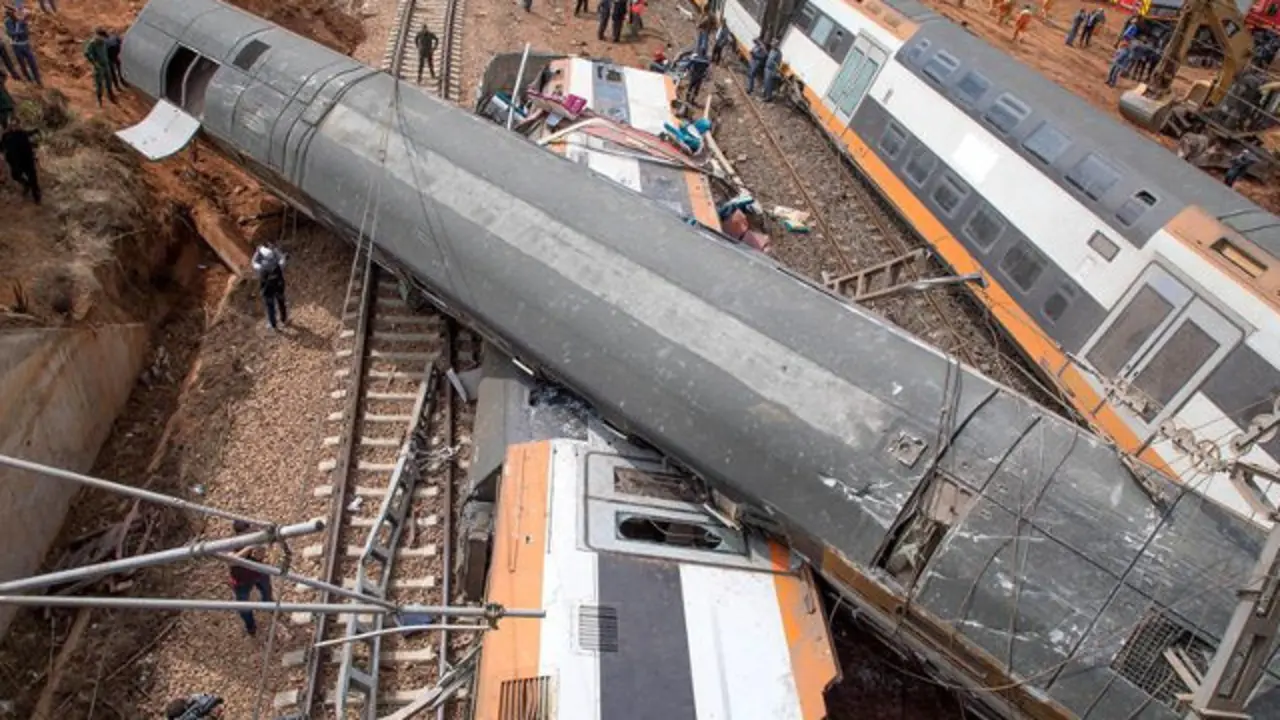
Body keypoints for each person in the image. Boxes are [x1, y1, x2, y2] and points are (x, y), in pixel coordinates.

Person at [228, 520, 274, 634]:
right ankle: (250, 626)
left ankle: (269, 605)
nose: (249, 535)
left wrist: (260, 546)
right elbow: (232, 561)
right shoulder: (231, 544)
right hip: (241, 581)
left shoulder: (253, 538)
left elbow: (259, 558)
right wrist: (249, 547)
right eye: (246, 534)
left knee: (267, 590)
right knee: (244, 607)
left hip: (257, 573)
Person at [2, 118, 41, 205]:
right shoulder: (6, 136)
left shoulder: (23, 134)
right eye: (12, 125)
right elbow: (2, 146)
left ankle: (37, 197)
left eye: (16, 125)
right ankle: (26, 184)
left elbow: (31, 136)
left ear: (19, 125)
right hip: (15, 161)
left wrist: (36, 133)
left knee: (32, 178)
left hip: (27, 160)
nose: (14, 127)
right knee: (15, 175)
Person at [4, 8, 39, 86]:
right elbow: (11, 34)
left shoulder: (21, 20)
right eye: (13, 12)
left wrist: (21, 25)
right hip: (16, 46)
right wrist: (20, 29)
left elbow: (26, 32)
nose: (15, 14)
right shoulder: (8, 22)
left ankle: (38, 80)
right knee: (22, 64)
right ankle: (29, 80)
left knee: (32, 62)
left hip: (25, 44)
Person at [84, 28, 117, 106]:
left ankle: (111, 96)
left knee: (109, 81)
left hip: (106, 65)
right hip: (99, 67)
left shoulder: (103, 43)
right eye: (102, 37)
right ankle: (99, 100)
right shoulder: (92, 44)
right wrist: (95, 64)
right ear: (98, 36)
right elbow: (86, 53)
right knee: (99, 85)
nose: (104, 39)